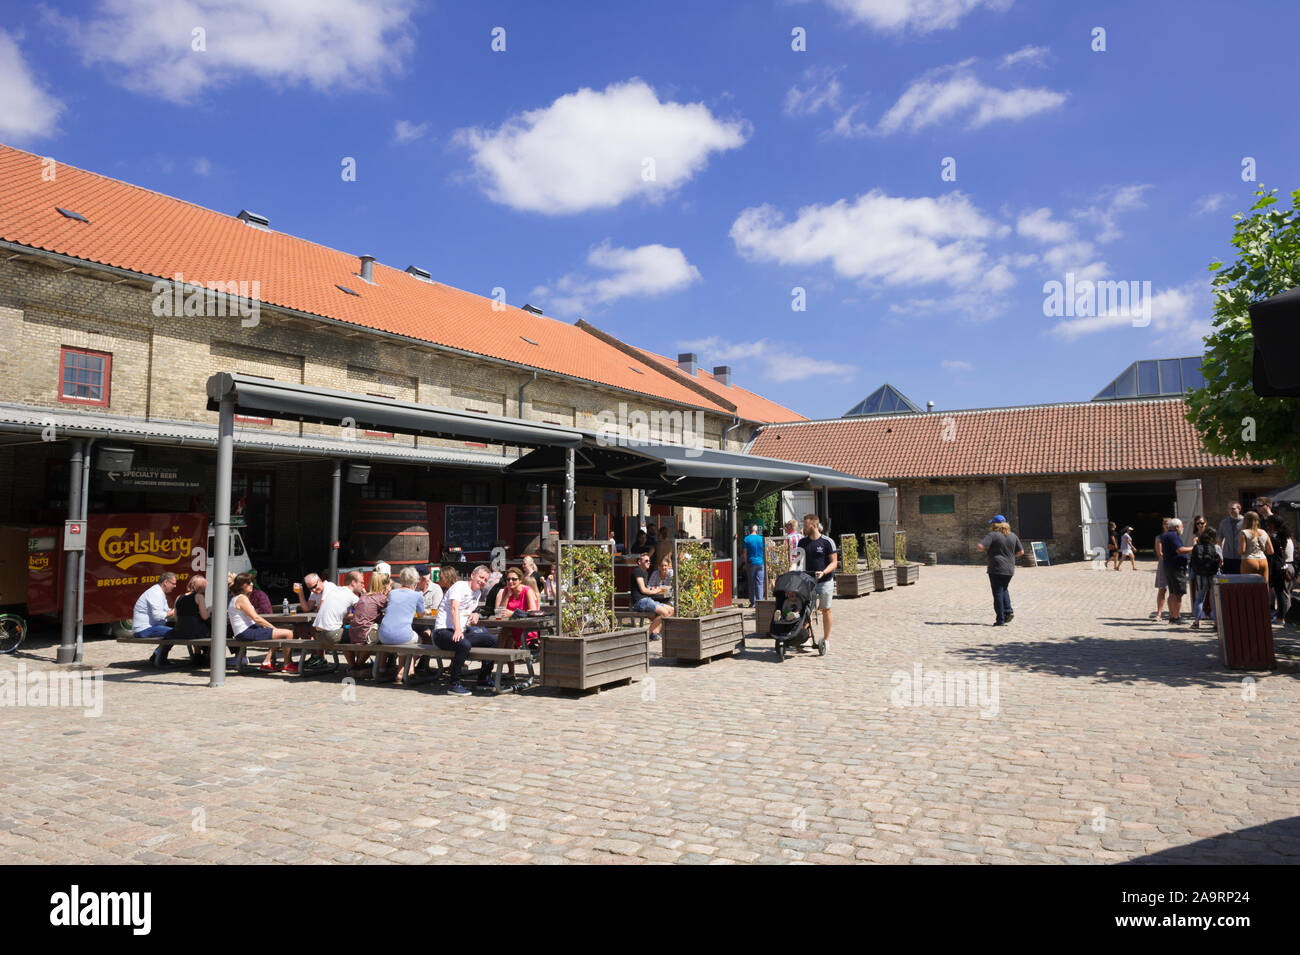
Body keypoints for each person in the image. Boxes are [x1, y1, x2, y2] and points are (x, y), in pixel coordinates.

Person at [434, 564, 499, 695]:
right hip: (443, 631)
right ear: (472, 575)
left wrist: (475, 614)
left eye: (485, 580)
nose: (482, 581)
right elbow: (454, 608)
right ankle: (454, 683)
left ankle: (483, 678)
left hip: (461, 631)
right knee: (464, 645)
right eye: (481, 577)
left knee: (493, 640)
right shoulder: (459, 586)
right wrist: (457, 630)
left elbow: (468, 611)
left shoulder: (478, 593)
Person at [229, 573, 296, 672]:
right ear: (241, 585)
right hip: (245, 632)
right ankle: (287, 665)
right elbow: (256, 618)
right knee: (288, 633)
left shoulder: (238, 598)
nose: (251, 584)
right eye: (248, 582)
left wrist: (270, 629)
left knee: (279, 634)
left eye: (252, 582)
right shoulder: (241, 598)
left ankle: (267, 662)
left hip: (244, 632)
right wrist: (273, 628)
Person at [377, 567, 427, 685]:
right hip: (402, 636)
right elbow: (421, 615)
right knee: (420, 642)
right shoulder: (417, 595)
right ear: (415, 581)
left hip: (383, 635)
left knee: (404, 639)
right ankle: (409, 670)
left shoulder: (392, 593)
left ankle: (400, 672)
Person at [307, 569, 363, 672]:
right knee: (360, 634)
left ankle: (353, 665)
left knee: (346, 633)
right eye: (361, 583)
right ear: (353, 583)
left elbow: (345, 615)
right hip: (330, 635)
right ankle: (357, 666)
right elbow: (365, 613)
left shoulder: (335, 590)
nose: (363, 585)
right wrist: (364, 595)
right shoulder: (352, 596)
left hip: (318, 634)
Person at [798, 514, 838, 644]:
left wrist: (823, 572)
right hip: (808, 582)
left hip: (825, 581)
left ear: (814, 525)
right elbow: (797, 560)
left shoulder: (827, 542)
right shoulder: (802, 542)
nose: (803, 527)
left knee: (826, 609)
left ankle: (826, 640)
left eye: (805, 525)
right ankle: (806, 639)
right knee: (806, 610)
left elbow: (834, 563)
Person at [977, 516, 1023, 626]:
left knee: (997, 592)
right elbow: (1021, 552)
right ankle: (1008, 611)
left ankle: (1000, 620)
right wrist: (1010, 556)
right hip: (1009, 568)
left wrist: (984, 550)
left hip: (996, 568)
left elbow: (980, 546)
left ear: (994, 524)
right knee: (1004, 589)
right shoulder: (1013, 536)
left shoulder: (992, 535)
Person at [347, 571, 390, 673]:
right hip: (365, 636)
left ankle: (358, 666)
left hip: (353, 633)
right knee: (387, 635)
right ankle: (381, 667)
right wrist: (387, 594)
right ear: (384, 585)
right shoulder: (381, 598)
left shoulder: (363, 596)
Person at [136, 572, 179, 667]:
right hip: (144, 629)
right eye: (173, 583)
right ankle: (160, 658)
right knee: (175, 633)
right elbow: (158, 616)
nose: (175, 586)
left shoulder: (159, 592)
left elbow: (165, 612)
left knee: (178, 628)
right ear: (165, 582)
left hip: (151, 626)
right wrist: (174, 611)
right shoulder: (156, 593)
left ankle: (156, 655)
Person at [629, 551, 674, 640]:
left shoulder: (645, 573)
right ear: (639, 562)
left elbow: (647, 588)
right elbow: (643, 589)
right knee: (664, 613)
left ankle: (655, 632)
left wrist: (652, 589)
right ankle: (646, 636)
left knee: (671, 610)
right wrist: (655, 591)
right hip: (640, 602)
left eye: (649, 561)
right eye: (646, 561)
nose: (649, 562)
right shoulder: (637, 571)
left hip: (647, 600)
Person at [1159, 518, 1194, 625]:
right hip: (1176, 568)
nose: (1183, 528)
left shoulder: (1166, 535)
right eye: (1182, 526)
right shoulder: (1173, 536)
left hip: (1171, 567)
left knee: (1173, 593)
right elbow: (1180, 550)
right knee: (1178, 593)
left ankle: (1172, 616)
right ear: (1177, 527)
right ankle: (1176, 617)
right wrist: (1194, 547)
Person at [173, 574, 211, 665]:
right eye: (205, 587)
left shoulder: (179, 597)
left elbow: (176, 617)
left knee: (195, 626)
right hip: (195, 631)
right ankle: (207, 656)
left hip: (180, 631)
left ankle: (197, 654)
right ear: (201, 587)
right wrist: (209, 610)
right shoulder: (199, 597)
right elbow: (205, 616)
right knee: (211, 630)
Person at [1189, 529, 1222, 630]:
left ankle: (1196, 622)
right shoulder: (1216, 547)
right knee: (1215, 600)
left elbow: (1192, 562)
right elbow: (1221, 561)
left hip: (1201, 576)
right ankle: (1216, 623)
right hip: (1213, 575)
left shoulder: (1196, 547)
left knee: (1199, 599)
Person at [1264, 515, 1293, 622]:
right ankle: (1282, 616)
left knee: (1280, 592)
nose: (1266, 525)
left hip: (1276, 566)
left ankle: (1281, 616)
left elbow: (1269, 550)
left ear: (1273, 524)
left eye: (1268, 523)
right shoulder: (1283, 534)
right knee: (1281, 592)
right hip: (1281, 564)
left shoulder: (1273, 537)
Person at [1239, 510, 1273, 584]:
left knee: (1248, 587)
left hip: (1249, 560)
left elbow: (1242, 551)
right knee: (1264, 586)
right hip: (1263, 560)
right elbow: (1271, 551)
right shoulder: (1264, 532)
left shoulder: (1244, 532)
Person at [1188, 516, 1208, 620]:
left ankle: (1211, 611)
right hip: (1198, 565)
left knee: (1212, 590)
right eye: (1198, 523)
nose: (1200, 525)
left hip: (1209, 565)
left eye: (1201, 523)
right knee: (1198, 588)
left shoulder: (1210, 535)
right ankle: (1200, 612)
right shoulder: (1195, 536)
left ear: (1206, 523)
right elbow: (1194, 550)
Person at [1151, 518, 1171, 620]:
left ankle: (1174, 613)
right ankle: (1159, 613)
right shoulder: (1159, 537)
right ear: (1163, 525)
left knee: (1174, 591)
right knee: (1162, 589)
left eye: (1169, 524)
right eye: (1165, 524)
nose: (1167, 525)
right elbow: (1160, 553)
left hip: (1173, 564)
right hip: (1164, 564)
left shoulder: (1175, 536)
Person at [742, 524, 765, 607]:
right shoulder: (761, 538)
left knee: (751, 583)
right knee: (760, 583)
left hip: (751, 563)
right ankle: (760, 602)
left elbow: (744, 553)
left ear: (749, 530)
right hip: (761, 563)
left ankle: (753, 602)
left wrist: (745, 563)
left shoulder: (746, 539)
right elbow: (767, 549)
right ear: (756, 530)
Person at [1218, 502, 1244, 575]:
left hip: (1241, 557)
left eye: (1233, 509)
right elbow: (1220, 538)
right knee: (1227, 580)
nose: (1231, 511)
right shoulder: (1224, 522)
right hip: (1227, 556)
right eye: (1229, 509)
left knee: (1240, 579)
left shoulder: (1245, 522)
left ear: (1239, 509)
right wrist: (1220, 554)